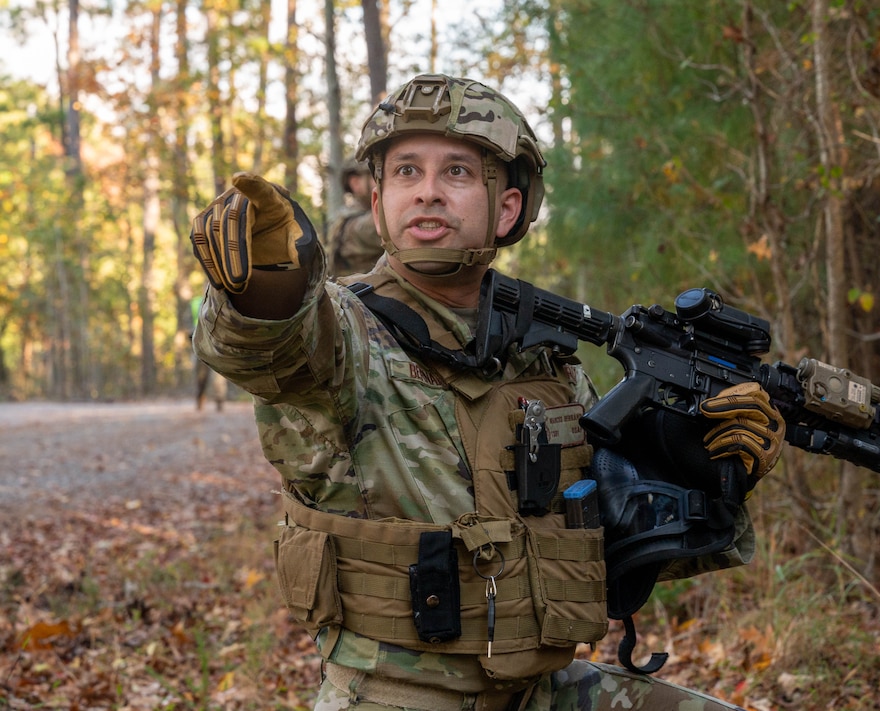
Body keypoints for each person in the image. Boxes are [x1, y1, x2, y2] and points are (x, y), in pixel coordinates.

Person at [190, 74, 785, 711]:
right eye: (406, 171)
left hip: (539, 690)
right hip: (395, 698)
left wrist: (697, 473)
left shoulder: (544, 360)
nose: (427, 192)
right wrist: (269, 284)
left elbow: (601, 555)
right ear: (379, 200)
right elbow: (267, 344)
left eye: (458, 174)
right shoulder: (343, 336)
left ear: (507, 207)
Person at [324, 158, 384, 278]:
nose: (385, 182)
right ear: (355, 183)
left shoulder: (345, 216)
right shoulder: (356, 224)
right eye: (376, 175)